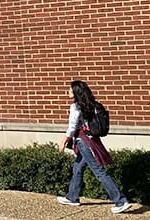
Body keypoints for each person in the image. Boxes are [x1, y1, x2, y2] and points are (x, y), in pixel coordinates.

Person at [57, 80, 132, 214]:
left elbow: (72, 126)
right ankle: (72, 197)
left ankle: (121, 201)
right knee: (78, 168)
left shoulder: (75, 106)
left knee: (99, 172)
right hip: (92, 140)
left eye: (69, 89)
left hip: (84, 142)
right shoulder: (92, 105)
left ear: (76, 92)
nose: (67, 92)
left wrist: (64, 140)